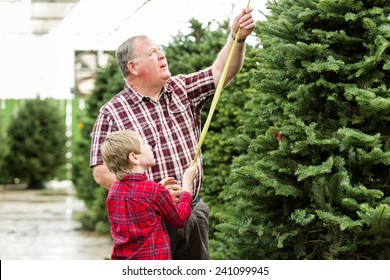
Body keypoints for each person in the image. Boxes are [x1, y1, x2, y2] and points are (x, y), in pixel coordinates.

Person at [90, 6, 255, 259]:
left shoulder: (181, 88)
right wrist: (153, 194)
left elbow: (221, 72)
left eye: (160, 49)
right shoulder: (112, 112)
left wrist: (237, 38)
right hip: (150, 221)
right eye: (152, 52)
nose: (161, 54)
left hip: (193, 212)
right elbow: (102, 172)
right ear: (133, 67)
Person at [101, 130, 197, 260]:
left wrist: (159, 189)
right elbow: (180, 220)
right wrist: (187, 185)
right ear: (134, 158)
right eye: (144, 144)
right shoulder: (153, 191)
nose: (150, 146)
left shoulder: (114, 190)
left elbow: (138, 205)